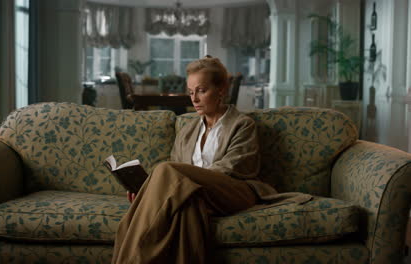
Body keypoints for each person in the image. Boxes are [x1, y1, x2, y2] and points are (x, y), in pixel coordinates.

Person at [112, 56, 306, 264]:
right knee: (186, 209)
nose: (194, 99)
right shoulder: (186, 132)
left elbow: (233, 168)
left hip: (235, 191)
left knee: (166, 170)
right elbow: (177, 172)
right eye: (191, 92)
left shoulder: (242, 125)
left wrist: (166, 186)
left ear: (221, 89)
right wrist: (147, 191)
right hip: (195, 194)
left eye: (201, 91)